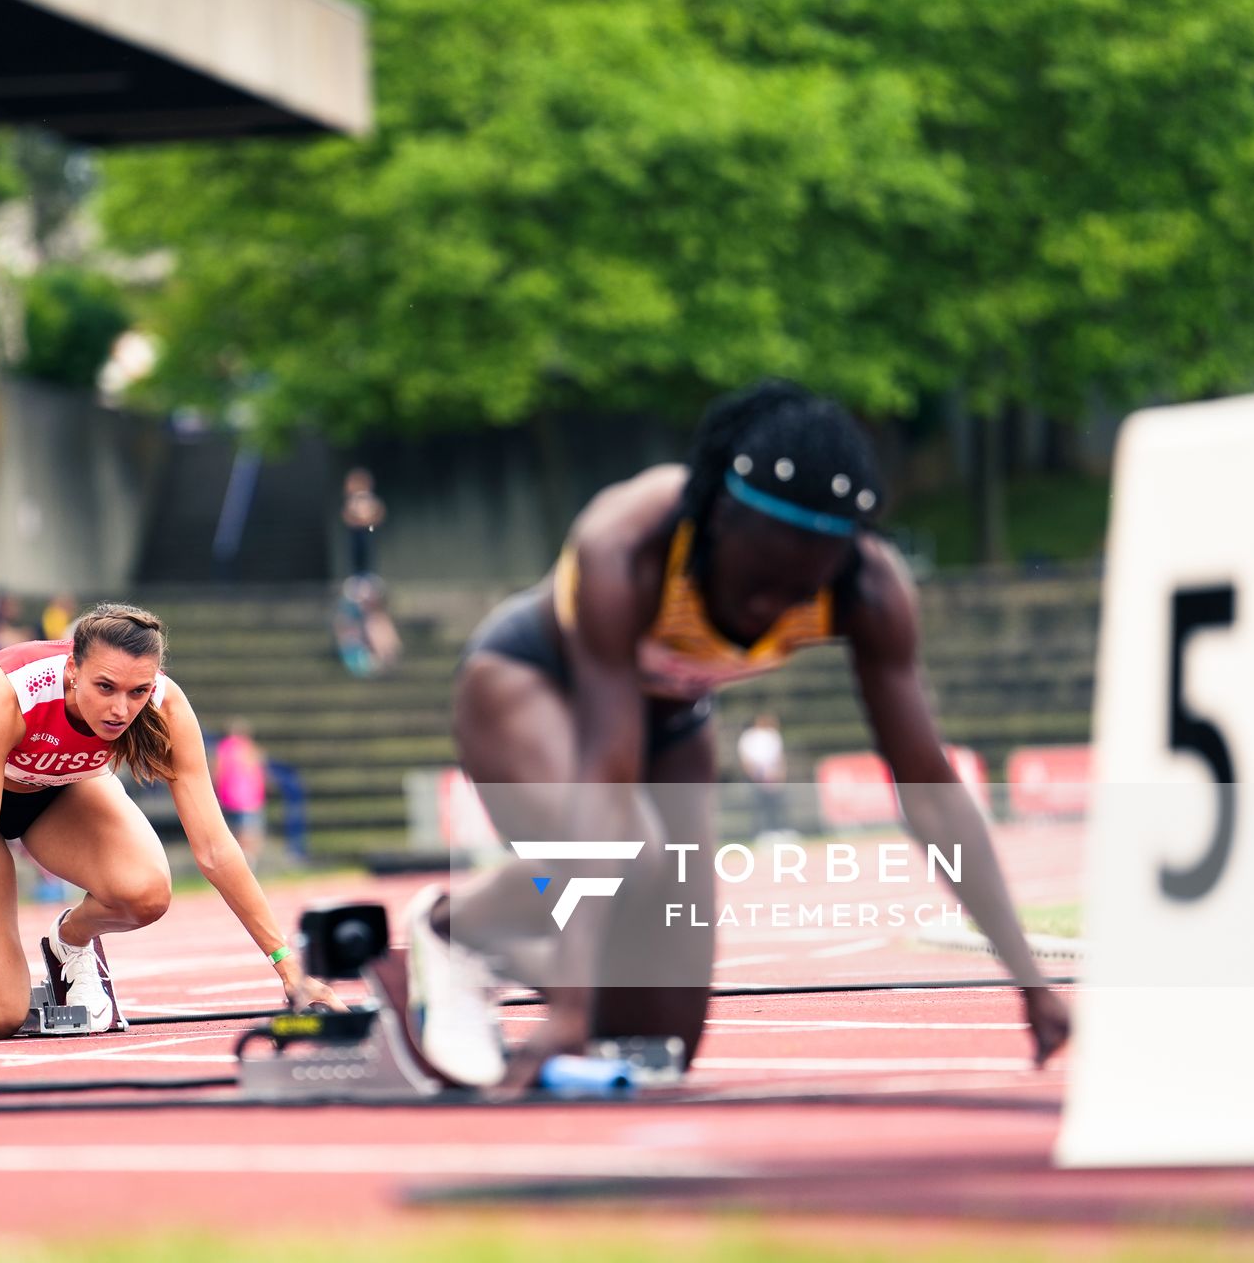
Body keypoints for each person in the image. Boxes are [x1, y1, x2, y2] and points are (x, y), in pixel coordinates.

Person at [407, 378, 1072, 1089]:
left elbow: (931, 790)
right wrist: (568, 1009)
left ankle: (528, 958)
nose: (765, 611)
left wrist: (1029, 982)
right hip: (529, 684)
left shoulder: (869, 589)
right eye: (756, 580)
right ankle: (457, 927)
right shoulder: (628, 544)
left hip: (676, 715)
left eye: (795, 594)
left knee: (660, 1043)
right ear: (717, 520)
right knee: (633, 848)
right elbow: (604, 775)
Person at [0, 603, 345, 1047]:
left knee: (147, 892)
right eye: (104, 688)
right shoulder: (9, 690)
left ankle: (68, 942)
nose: (119, 710)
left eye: (137, 692)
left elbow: (216, 848)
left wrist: (290, 969)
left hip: (59, 789)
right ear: (72, 671)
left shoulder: (164, 706)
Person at [214, 719, 268, 867]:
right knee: (250, 831)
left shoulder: (223, 748)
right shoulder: (250, 748)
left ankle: (238, 862)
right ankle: (248, 861)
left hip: (228, 797)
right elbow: (258, 772)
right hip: (249, 799)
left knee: (234, 832)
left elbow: (217, 773)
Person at [737, 713, 792, 841]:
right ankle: (761, 833)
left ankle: (779, 830)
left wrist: (779, 774)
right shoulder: (749, 736)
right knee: (758, 805)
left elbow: (779, 757)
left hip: (773, 775)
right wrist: (756, 775)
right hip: (756, 776)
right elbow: (746, 758)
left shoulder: (773, 735)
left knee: (777, 804)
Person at [340, 468, 385, 577]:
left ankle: (369, 574)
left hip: (369, 528)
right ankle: (357, 575)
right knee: (356, 552)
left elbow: (378, 511)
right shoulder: (353, 500)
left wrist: (370, 521)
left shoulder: (369, 498)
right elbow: (346, 515)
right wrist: (355, 522)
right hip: (356, 530)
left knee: (369, 549)